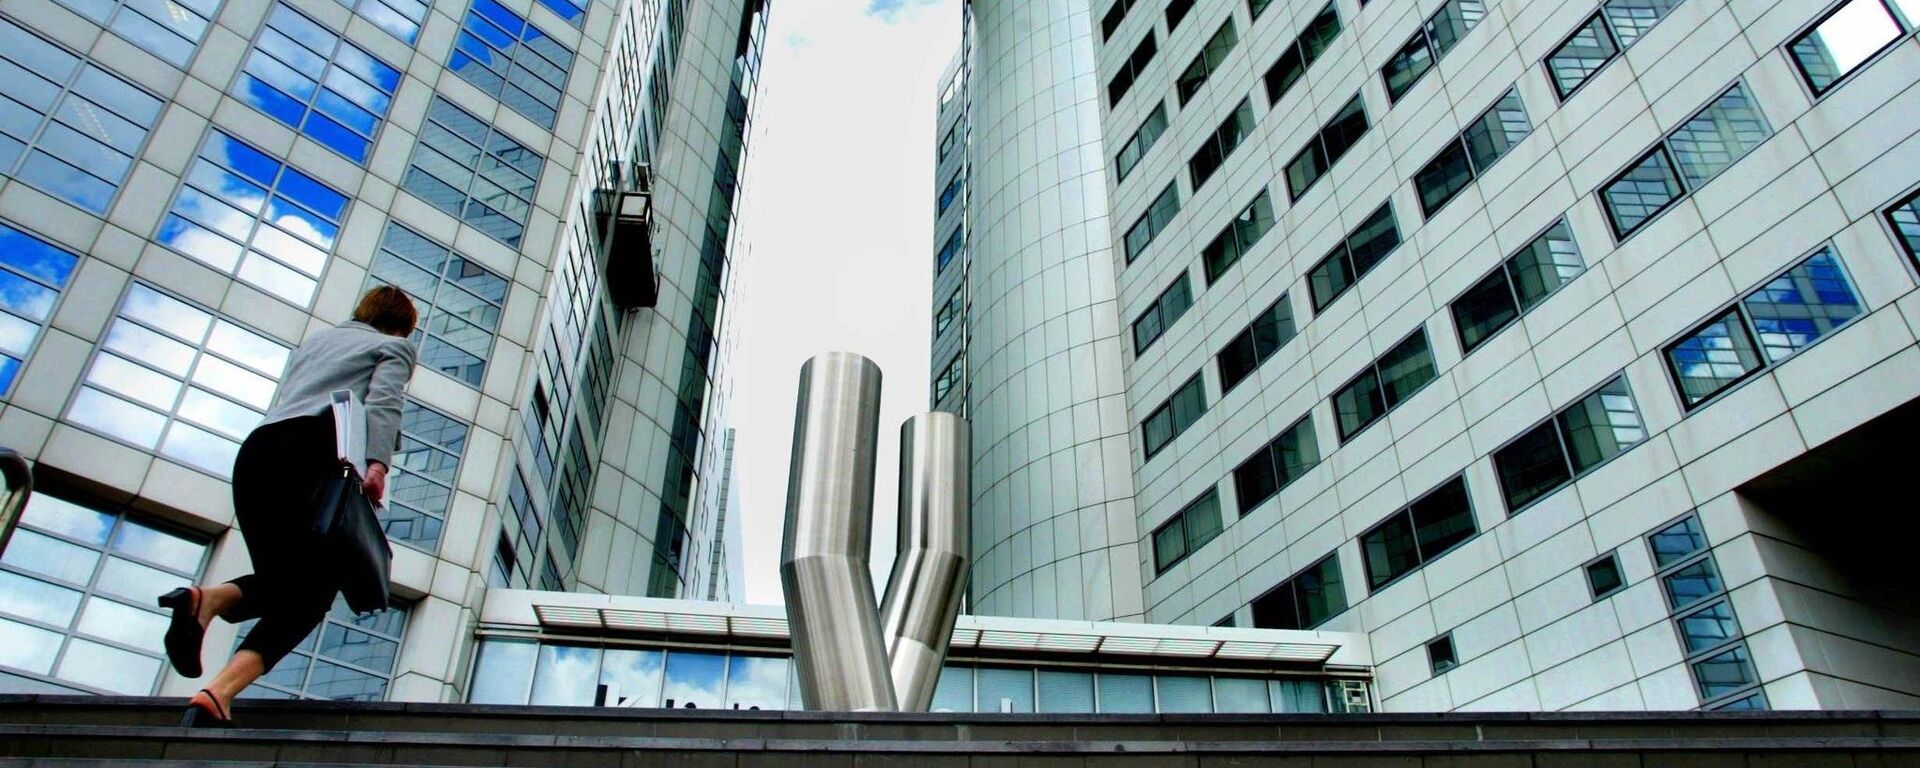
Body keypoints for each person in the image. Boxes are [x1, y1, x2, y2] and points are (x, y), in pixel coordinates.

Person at [155, 286, 418, 727]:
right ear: (399, 326)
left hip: (258, 455)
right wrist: (377, 465)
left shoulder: (315, 344)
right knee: (310, 596)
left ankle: (212, 637)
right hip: (311, 453)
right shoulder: (394, 346)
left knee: (290, 585)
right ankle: (217, 671)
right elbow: (383, 403)